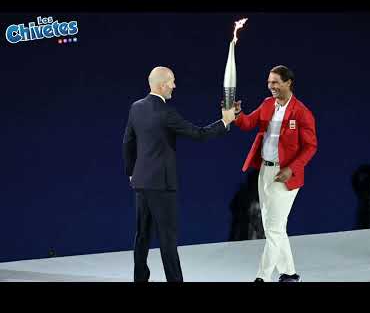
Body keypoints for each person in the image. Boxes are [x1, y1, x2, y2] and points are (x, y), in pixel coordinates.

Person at [123, 66, 236, 282]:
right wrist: (225, 121)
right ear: (162, 84)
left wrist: (131, 172)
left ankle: (140, 278)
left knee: (142, 235)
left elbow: (127, 141)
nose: (174, 86)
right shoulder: (166, 113)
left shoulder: (136, 107)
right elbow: (199, 134)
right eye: (172, 81)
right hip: (162, 186)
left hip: (141, 182)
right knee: (167, 239)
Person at [232, 65, 318, 282]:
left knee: (273, 227)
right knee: (275, 228)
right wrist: (238, 114)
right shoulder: (268, 104)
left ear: (288, 82)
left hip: (286, 176)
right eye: (269, 82)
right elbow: (249, 123)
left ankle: (262, 277)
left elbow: (311, 147)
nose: (271, 86)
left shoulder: (301, 112)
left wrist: (291, 169)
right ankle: (289, 273)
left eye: (276, 82)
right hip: (265, 172)